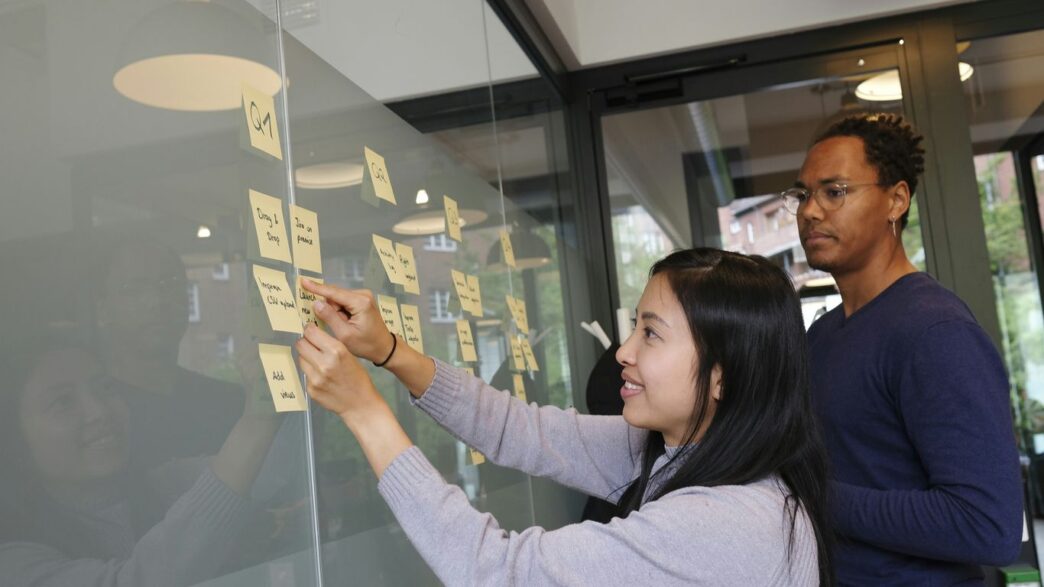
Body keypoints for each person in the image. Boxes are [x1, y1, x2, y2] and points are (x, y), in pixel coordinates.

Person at [296, 248, 833, 585]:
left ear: (723, 375)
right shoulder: (678, 448)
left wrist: (365, 412)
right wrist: (389, 350)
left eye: (650, 333)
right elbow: (515, 429)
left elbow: (497, 572)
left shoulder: (727, 523)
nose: (624, 352)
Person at [786, 113, 1023, 583]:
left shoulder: (935, 332)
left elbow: (986, 525)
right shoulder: (823, 334)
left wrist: (812, 497)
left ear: (896, 200)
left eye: (834, 192)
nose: (810, 211)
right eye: (803, 195)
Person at [0, 340, 283, 586]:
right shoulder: (13, 561)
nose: (98, 411)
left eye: (105, 388)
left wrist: (292, 375)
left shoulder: (166, 484)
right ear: (14, 434)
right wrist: (257, 420)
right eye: (63, 403)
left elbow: (279, 468)